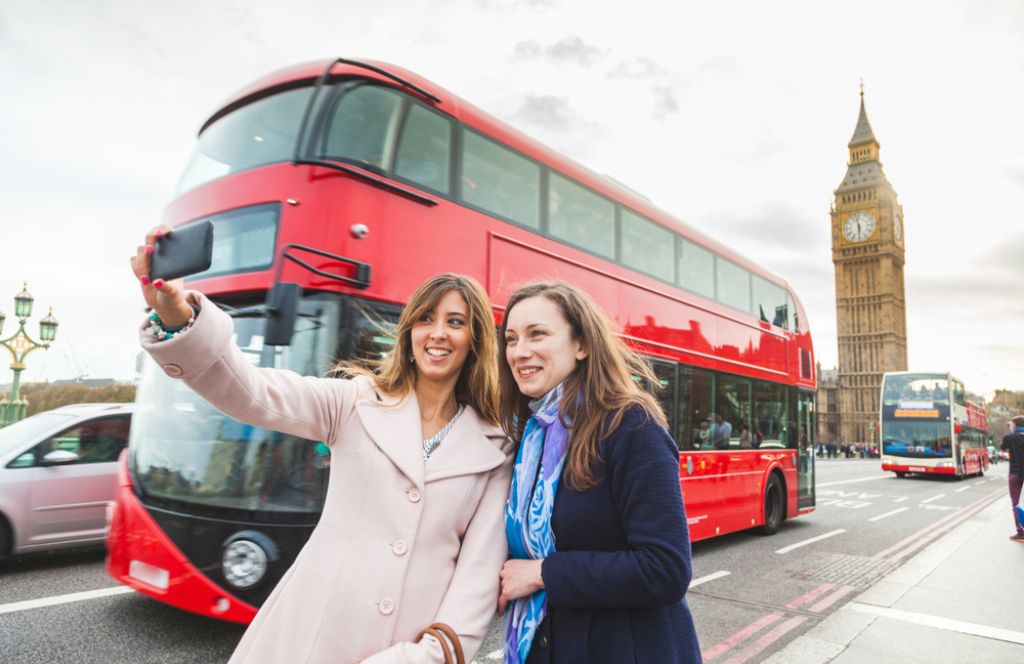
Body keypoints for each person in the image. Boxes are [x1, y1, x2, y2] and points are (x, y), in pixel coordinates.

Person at [130, 228, 514, 664]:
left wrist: (422, 657)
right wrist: (177, 314)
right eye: (425, 319)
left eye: (455, 322)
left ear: (476, 338)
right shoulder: (354, 402)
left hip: (410, 652)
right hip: (308, 640)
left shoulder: (495, 448)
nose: (437, 333)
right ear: (408, 332)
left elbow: (477, 579)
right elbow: (251, 391)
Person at [495, 281, 701, 664]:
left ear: (581, 345)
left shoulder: (630, 425)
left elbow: (666, 568)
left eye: (537, 334)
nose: (519, 352)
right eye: (510, 339)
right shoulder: (532, 434)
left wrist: (544, 573)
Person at [1001, 415, 1024, 543]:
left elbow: (1003, 447)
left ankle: (1021, 532)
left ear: (1014, 425)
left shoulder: (1010, 437)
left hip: (1015, 473)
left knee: (1016, 503)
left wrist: (1011, 431)